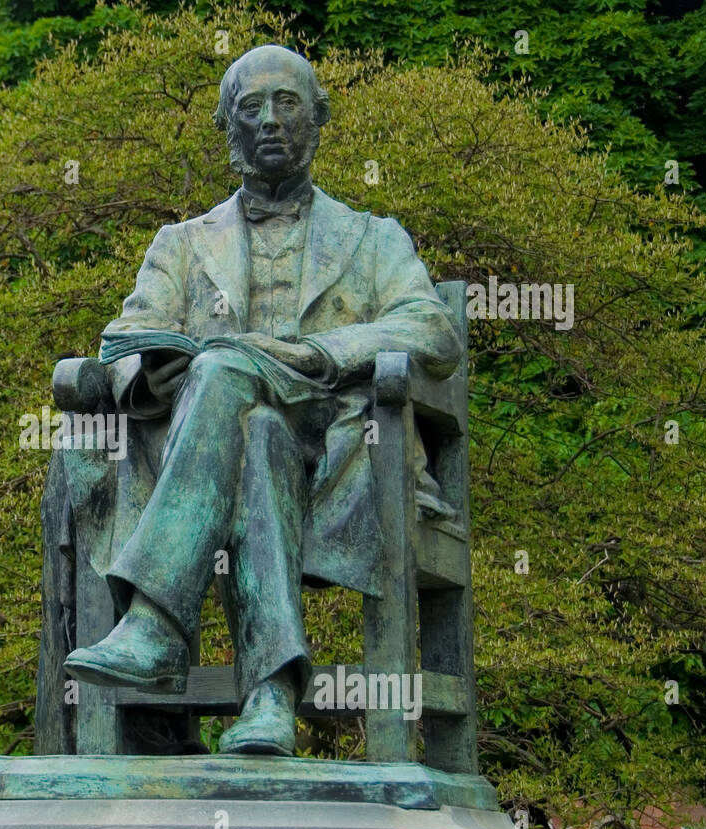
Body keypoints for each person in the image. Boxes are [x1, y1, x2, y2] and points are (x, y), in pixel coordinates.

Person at [62, 45, 460, 756]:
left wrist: (320, 353)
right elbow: (121, 341)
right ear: (227, 127)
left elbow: (430, 327)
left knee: (227, 373)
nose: (270, 121)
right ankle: (271, 696)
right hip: (230, 450)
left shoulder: (373, 240)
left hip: (339, 445)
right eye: (251, 108)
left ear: (319, 120)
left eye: (288, 104)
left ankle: (155, 624)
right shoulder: (181, 245)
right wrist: (150, 371)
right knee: (249, 421)